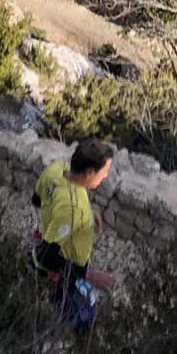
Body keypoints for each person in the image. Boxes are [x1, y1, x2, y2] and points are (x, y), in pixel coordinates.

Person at [32, 139, 116, 328]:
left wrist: (86, 215)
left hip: (55, 235)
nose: (106, 176)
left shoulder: (57, 169)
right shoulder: (73, 210)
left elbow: (37, 199)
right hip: (66, 270)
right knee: (83, 317)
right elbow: (46, 256)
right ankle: (63, 331)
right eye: (105, 172)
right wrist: (88, 275)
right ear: (89, 173)